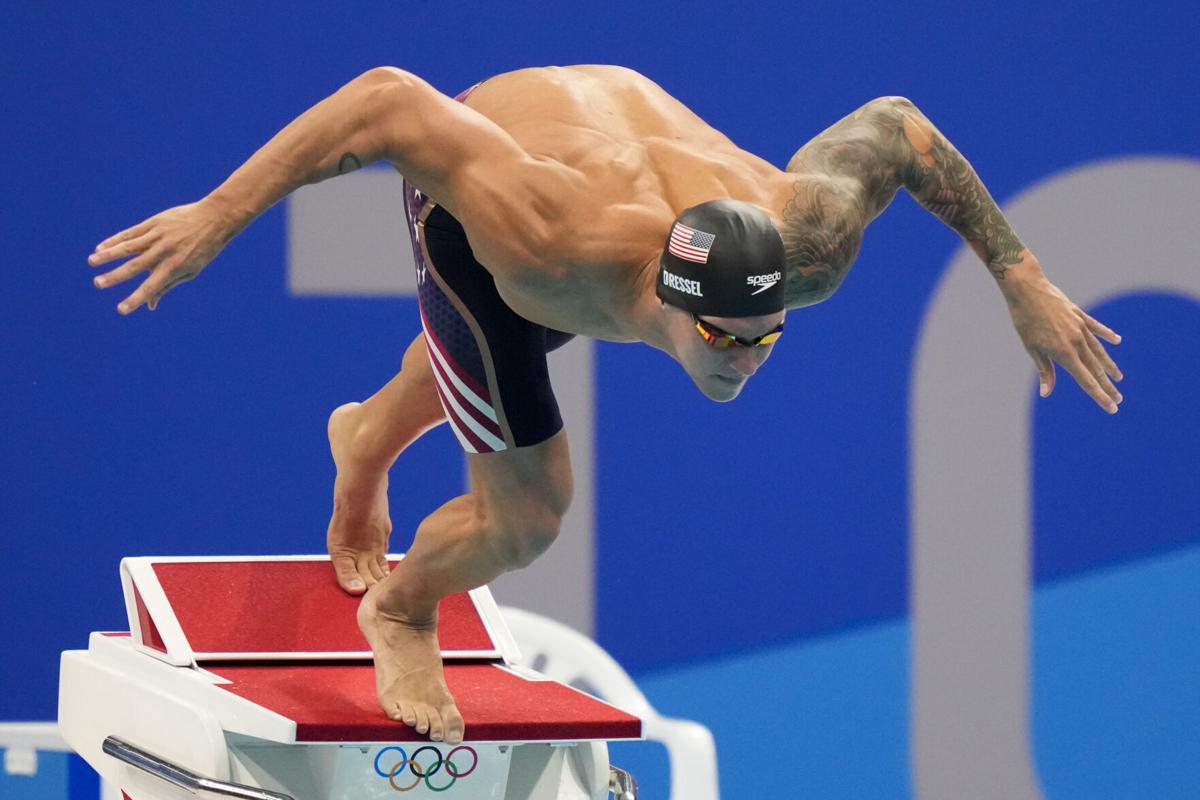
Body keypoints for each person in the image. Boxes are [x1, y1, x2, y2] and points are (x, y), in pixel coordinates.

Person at [88, 64, 1123, 744]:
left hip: (612, 175)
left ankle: (363, 437)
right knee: (528, 510)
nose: (746, 363)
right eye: (722, 338)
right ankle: (402, 607)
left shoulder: (809, 244)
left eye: (766, 338)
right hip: (494, 190)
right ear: (668, 302)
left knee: (508, 356)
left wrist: (1019, 274)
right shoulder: (547, 230)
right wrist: (220, 216)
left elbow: (896, 127)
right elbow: (388, 104)